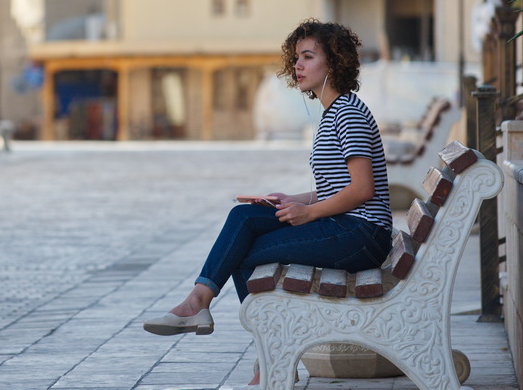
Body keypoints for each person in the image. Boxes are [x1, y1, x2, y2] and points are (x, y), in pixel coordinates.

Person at [142, 19, 392, 385]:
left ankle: (260, 344)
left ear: (334, 62)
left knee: (244, 252)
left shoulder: (349, 114)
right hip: (346, 227)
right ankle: (207, 308)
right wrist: (291, 200)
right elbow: (334, 187)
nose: (298, 66)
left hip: (361, 234)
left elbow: (362, 191)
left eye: (308, 57)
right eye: (296, 58)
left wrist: (308, 213)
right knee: (245, 216)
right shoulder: (334, 113)